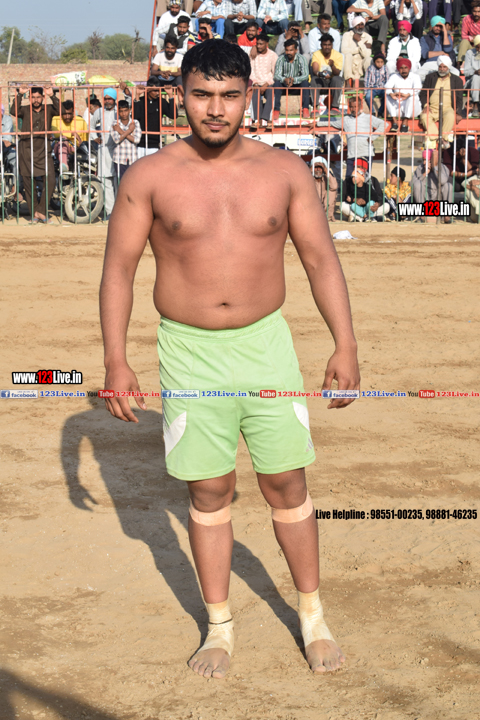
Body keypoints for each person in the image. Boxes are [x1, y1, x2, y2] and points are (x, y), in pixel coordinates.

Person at [100, 38, 359, 680]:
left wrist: (345, 343)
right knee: (210, 490)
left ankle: (313, 616)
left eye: (228, 95)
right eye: (201, 95)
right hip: (188, 352)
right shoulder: (148, 177)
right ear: (180, 96)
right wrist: (116, 361)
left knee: (287, 483)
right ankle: (219, 626)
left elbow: (320, 259)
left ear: (250, 96)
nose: (215, 109)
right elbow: (118, 272)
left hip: (266, 346)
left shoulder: (285, 172)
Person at [10, 85, 59, 223]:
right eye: (33, 97)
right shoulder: (25, 110)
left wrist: (52, 95)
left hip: (44, 150)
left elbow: (61, 110)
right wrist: (20, 94)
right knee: (28, 182)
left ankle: (42, 211)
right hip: (26, 150)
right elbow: (13, 111)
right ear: (29, 98)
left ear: (42, 97)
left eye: (38, 97)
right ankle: (35, 213)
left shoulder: (49, 109)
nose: (36, 100)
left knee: (50, 180)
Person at [331, 94, 386, 177]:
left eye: (355, 107)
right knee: (349, 178)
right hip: (352, 155)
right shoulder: (346, 119)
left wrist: (373, 137)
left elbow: (384, 124)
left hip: (366, 154)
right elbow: (331, 123)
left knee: (364, 178)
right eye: (351, 107)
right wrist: (316, 124)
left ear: (360, 106)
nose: (353, 109)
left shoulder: (368, 117)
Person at [419, 55, 464, 149]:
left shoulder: (457, 80)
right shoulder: (430, 77)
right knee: (424, 116)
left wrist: (458, 112)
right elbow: (423, 94)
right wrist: (426, 105)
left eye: (444, 67)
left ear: (449, 67)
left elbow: (459, 98)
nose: (442, 69)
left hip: (447, 108)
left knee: (451, 115)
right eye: (440, 67)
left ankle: (442, 138)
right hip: (432, 108)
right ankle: (439, 139)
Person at [126, 77, 176, 157]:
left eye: (158, 90)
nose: (157, 93)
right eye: (155, 90)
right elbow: (135, 117)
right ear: (148, 90)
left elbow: (173, 115)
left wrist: (170, 96)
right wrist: (137, 95)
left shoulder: (161, 101)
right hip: (139, 143)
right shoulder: (140, 100)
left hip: (155, 143)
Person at [92, 88, 118, 219]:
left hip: (117, 149)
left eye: (110, 99)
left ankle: (120, 211)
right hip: (103, 149)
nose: (107, 101)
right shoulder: (99, 111)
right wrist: (94, 137)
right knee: (105, 182)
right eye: (105, 99)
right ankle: (110, 211)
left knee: (118, 181)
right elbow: (90, 126)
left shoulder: (119, 111)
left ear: (114, 99)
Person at [273, 38, 310, 120]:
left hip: (297, 85)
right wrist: (284, 80)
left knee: (305, 83)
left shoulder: (302, 58)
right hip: (284, 85)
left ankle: (305, 109)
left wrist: (294, 80)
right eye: (287, 50)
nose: (288, 52)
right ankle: (276, 109)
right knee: (277, 83)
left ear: (296, 50)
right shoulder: (281, 59)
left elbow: (305, 75)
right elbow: (277, 75)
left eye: (291, 50)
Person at [51, 100, 89, 174]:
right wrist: (72, 133)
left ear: (73, 112)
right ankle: (64, 166)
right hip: (60, 148)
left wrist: (79, 143)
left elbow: (85, 140)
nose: (67, 116)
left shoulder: (81, 121)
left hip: (76, 148)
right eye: (64, 114)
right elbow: (57, 134)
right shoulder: (56, 119)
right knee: (63, 139)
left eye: (69, 114)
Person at [249, 31, 277, 130]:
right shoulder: (253, 54)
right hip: (256, 82)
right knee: (255, 91)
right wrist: (255, 82)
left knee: (271, 91)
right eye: (257, 44)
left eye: (261, 44)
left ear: (267, 44)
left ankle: (269, 120)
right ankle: (257, 120)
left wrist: (267, 83)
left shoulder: (273, 55)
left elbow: (275, 73)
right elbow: (251, 71)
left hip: (268, 82)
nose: (258, 46)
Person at [385, 57, 422, 130]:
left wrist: (408, 95)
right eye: (401, 68)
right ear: (398, 69)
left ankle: (405, 121)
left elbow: (418, 88)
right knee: (387, 95)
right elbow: (387, 87)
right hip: (398, 108)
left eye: (406, 68)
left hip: (412, 110)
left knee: (412, 97)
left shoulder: (415, 77)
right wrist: (391, 94)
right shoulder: (394, 76)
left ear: (409, 68)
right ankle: (394, 121)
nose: (404, 70)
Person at [111, 100, 142, 182]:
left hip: (132, 158)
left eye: (125, 110)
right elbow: (116, 140)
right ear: (118, 112)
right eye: (121, 111)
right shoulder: (115, 124)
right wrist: (129, 131)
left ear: (129, 110)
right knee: (121, 183)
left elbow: (136, 140)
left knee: (133, 182)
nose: (124, 113)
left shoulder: (135, 123)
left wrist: (121, 132)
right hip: (119, 159)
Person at [311, 34, 344, 111]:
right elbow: (315, 70)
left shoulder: (338, 55)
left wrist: (332, 65)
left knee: (337, 79)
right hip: (321, 82)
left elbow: (337, 73)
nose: (327, 47)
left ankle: (335, 107)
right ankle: (315, 107)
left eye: (329, 45)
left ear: (332, 45)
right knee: (314, 79)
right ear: (321, 45)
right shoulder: (316, 54)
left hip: (332, 83)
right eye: (325, 45)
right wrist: (321, 74)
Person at [341, 17, 373, 82]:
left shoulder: (368, 37)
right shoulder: (347, 35)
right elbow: (343, 50)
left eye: (362, 24)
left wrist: (359, 41)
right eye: (358, 25)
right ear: (354, 26)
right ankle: (348, 81)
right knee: (348, 55)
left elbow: (366, 55)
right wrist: (360, 48)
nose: (360, 27)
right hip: (350, 63)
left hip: (361, 64)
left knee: (369, 59)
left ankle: (369, 82)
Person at [310, 155, 338, 221]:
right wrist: (309, 171)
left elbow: (334, 186)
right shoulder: (308, 177)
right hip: (311, 207)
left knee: (332, 191)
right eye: (316, 167)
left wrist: (326, 170)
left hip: (324, 208)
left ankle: (327, 216)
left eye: (320, 168)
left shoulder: (327, 178)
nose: (318, 170)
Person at [364, 52, 389, 117]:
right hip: (372, 88)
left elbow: (387, 80)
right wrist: (366, 91)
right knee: (368, 97)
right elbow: (367, 80)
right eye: (378, 62)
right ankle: (372, 112)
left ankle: (380, 112)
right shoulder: (370, 68)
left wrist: (387, 90)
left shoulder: (385, 68)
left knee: (387, 97)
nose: (380, 64)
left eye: (381, 62)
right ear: (374, 61)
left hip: (382, 88)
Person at [458, 1, 480, 65]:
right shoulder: (466, 19)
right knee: (464, 42)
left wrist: (476, 38)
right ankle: (459, 64)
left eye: (479, 12)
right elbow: (463, 36)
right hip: (471, 46)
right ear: (471, 11)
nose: (476, 14)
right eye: (474, 11)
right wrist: (472, 38)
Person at [464, 35, 480, 118]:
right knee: (476, 77)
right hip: (471, 82)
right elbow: (466, 72)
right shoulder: (469, 53)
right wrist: (475, 72)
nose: (479, 50)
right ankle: (475, 105)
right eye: (477, 47)